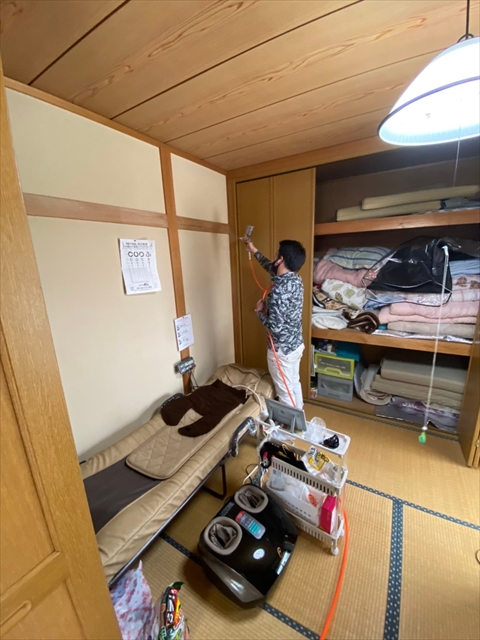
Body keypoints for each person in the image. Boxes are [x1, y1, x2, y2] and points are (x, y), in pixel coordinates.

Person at [245, 239, 306, 408]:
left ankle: (290, 422)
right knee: (294, 383)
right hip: (295, 345)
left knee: (285, 392)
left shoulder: (278, 291)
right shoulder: (295, 279)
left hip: (282, 351)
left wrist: (259, 312)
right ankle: (300, 417)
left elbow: (275, 328)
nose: (273, 258)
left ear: (280, 260)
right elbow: (270, 267)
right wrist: (254, 249)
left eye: (276, 255)